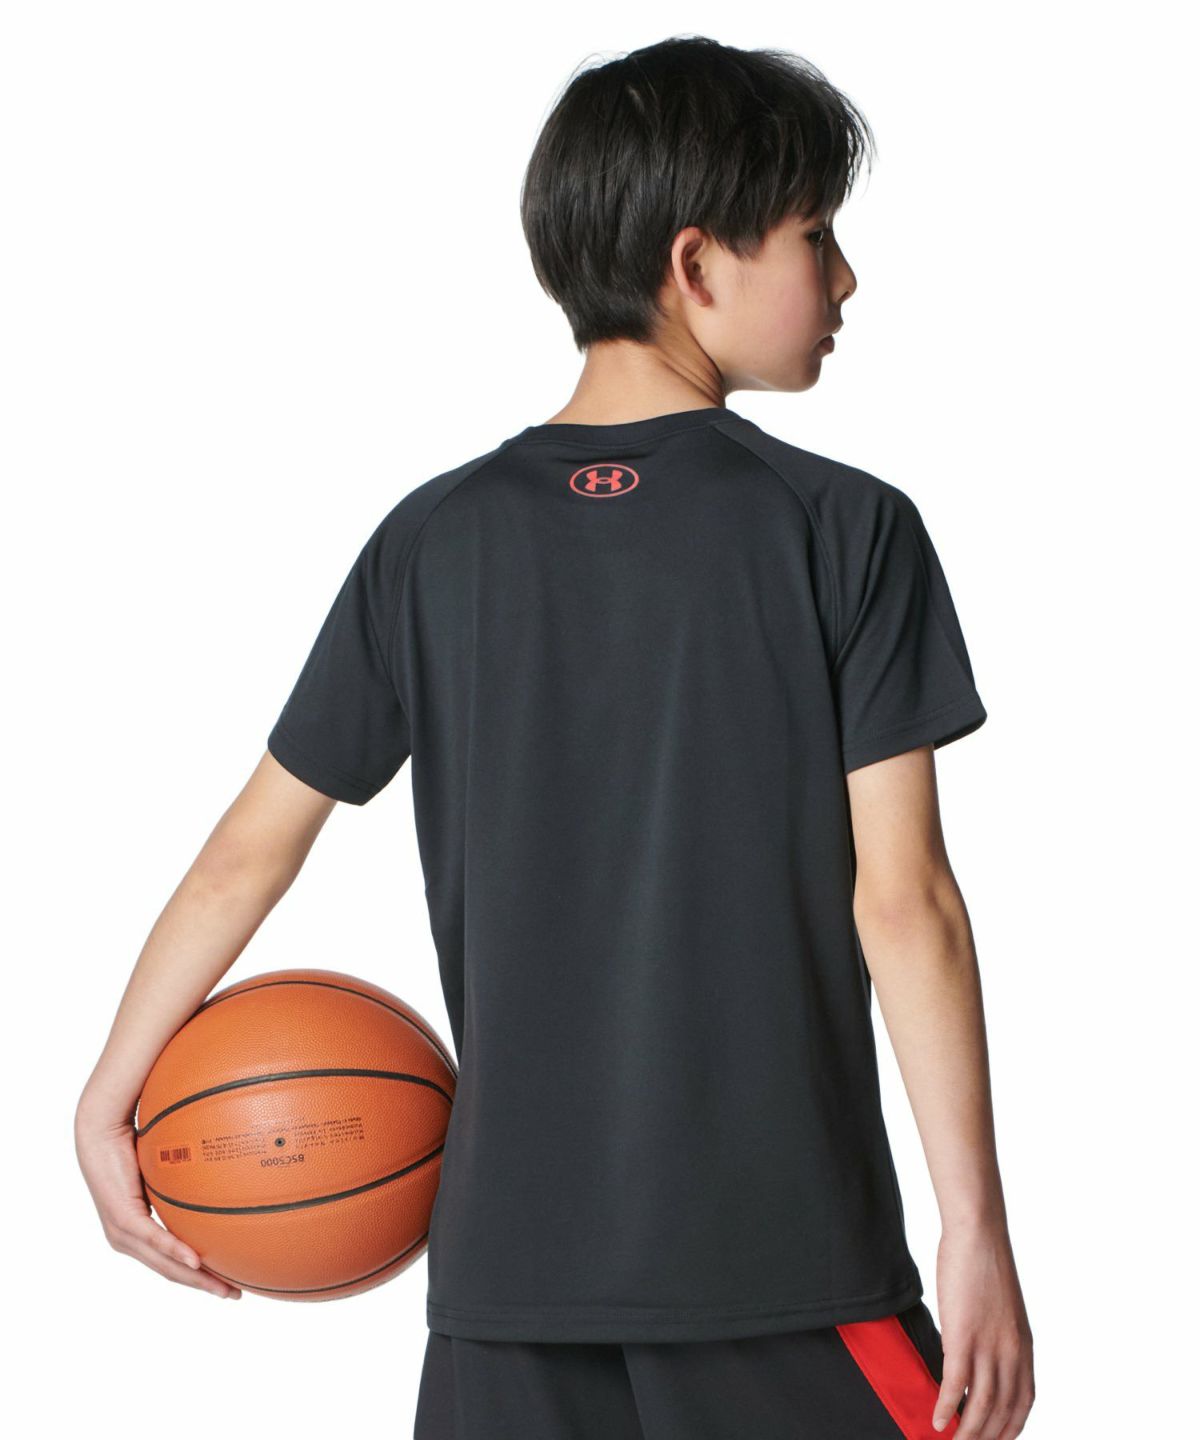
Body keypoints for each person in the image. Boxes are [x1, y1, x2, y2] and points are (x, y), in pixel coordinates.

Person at [75, 33, 1035, 1440]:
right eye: (816, 237)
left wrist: (105, 1100)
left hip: (506, 1290)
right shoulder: (842, 528)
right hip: (780, 1269)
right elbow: (907, 904)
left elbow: (246, 854)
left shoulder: (431, 541)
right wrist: (977, 1230)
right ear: (697, 264)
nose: (844, 280)